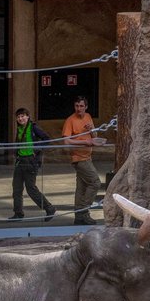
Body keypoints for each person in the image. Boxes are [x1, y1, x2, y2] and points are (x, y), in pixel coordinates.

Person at [61, 95, 104, 225]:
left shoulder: (88, 116)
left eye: (81, 106)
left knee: (81, 187)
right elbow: (66, 141)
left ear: (86, 107)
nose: (78, 108)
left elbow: (94, 135)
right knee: (95, 182)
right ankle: (84, 211)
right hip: (79, 158)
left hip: (87, 156)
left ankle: (79, 217)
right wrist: (85, 142)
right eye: (76, 106)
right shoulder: (70, 120)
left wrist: (91, 130)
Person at [9, 107, 56, 222]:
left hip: (30, 161)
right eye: (18, 117)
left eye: (22, 116)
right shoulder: (19, 128)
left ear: (27, 117)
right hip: (20, 161)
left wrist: (37, 149)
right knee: (17, 188)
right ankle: (18, 213)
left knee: (31, 189)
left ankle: (49, 208)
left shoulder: (33, 127)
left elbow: (46, 139)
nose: (20, 119)